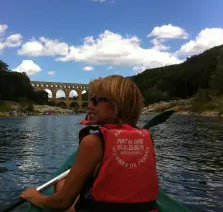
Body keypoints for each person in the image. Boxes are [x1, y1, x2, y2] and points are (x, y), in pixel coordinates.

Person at [20, 75, 159, 212]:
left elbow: (62, 202)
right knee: (64, 182)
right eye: (89, 100)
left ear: (116, 104)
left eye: (95, 100)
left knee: (61, 184)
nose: (90, 105)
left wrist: (36, 197)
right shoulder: (147, 137)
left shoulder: (93, 142)